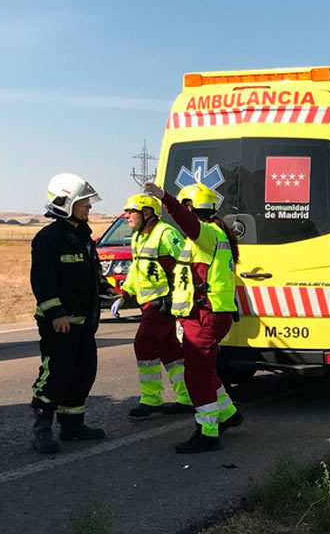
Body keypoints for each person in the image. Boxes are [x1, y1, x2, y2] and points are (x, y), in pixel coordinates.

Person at [141, 181, 243, 453]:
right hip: (205, 314)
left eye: (185, 207)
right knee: (205, 370)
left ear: (191, 207)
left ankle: (207, 432)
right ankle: (229, 414)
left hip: (204, 316)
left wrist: (164, 198)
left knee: (196, 376)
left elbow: (186, 222)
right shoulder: (213, 235)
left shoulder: (205, 233)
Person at [29, 173, 110, 453]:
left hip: (85, 322)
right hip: (59, 324)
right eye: (83, 202)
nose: (89, 207)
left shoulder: (83, 236)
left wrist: (107, 290)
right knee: (55, 374)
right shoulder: (48, 239)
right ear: (65, 203)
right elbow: (42, 281)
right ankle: (42, 429)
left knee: (84, 372)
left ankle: (72, 426)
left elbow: (92, 273)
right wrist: (56, 314)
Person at [120, 193, 192, 419]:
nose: (127, 216)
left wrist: (177, 295)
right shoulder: (138, 237)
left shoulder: (166, 234)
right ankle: (187, 396)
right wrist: (124, 293)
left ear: (147, 213)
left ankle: (151, 399)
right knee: (170, 349)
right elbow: (137, 269)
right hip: (148, 304)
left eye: (132, 211)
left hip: (162, 304)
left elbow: (187, 263)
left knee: (144, 344)